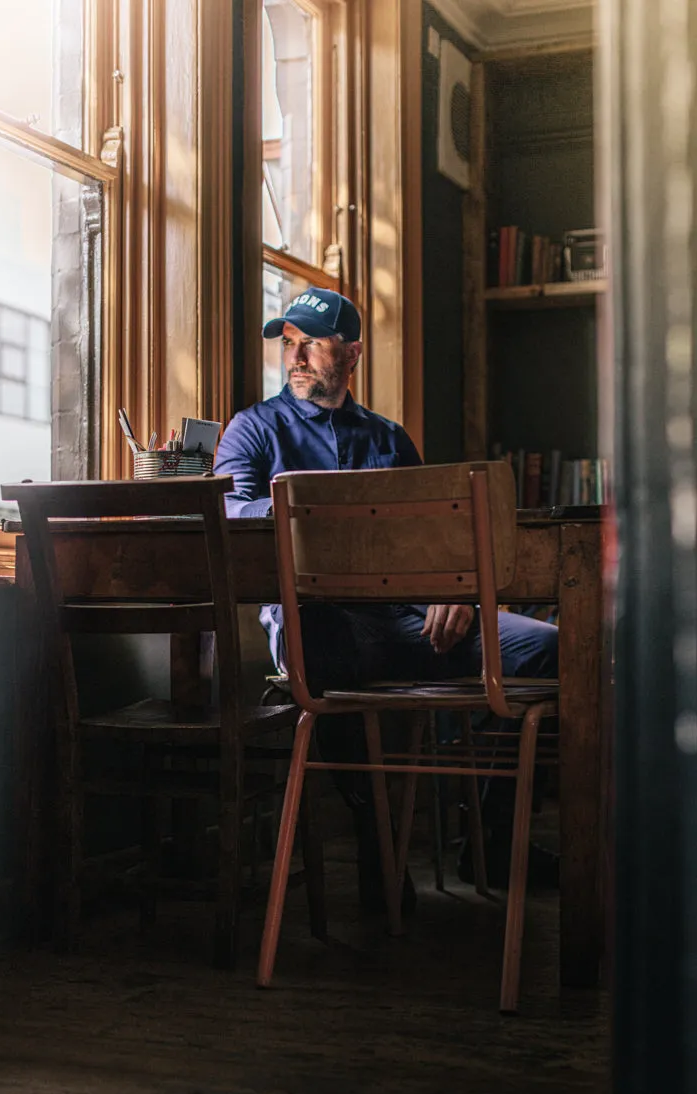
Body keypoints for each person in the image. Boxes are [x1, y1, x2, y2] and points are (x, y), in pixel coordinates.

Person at [214, 286, 558, 907]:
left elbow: (438, 540)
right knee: (320, 645)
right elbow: (233, 514)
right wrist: (324, 513)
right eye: (288, 343)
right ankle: (378, 842)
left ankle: (500, 843)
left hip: (405, 621)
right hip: (316, 624)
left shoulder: (389, 438)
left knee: (548, 649)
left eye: (311, 343)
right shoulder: (253, 429)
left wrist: (459, 590)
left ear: (352, 355)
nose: (295, 355)